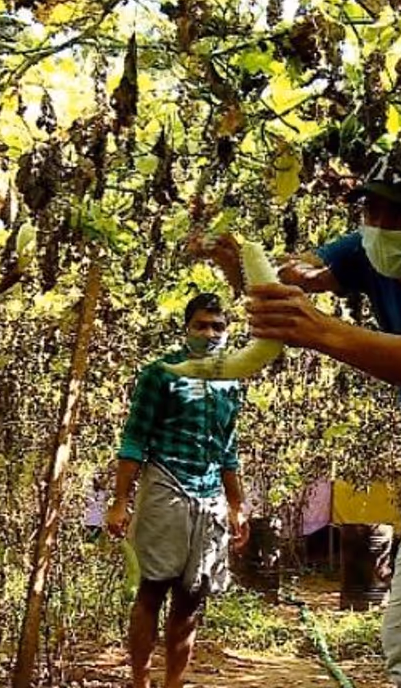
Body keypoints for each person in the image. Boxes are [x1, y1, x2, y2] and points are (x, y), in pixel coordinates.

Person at [206, 156, 401, 688]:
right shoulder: (364, 250)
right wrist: (241, 269)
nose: (382, 227)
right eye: (372, 211)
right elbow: (296, 278)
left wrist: (320, 330)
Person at [105, 293, 250, 688]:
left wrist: (237, 505)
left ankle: (174, 682)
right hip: (166, 484)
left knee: (192, 596)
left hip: (209, 494)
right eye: (201, 325)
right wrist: (120, 501)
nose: (210, 334)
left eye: (218, 327)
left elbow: (228, 450)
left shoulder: (231, 382)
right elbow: (134, 439)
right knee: (153, 589)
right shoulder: (161, 373)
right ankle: (140, 681)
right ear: (186, 329)